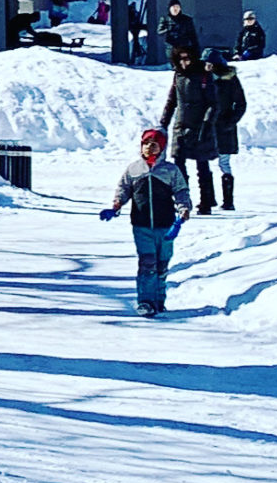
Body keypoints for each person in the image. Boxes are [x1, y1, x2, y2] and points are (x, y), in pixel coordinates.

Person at [100, 124, 191, 316]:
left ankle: (159, 301)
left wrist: (183, 211)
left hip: (166, 226)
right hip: (141, 226)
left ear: (162, 148)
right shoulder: (133, 169)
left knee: (162, 264)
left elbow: (181, 192)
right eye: (147, 143)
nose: (150, 147)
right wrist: (116, 205)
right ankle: (146, 302)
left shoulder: (170, 170)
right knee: (147, 263)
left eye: (155, 144)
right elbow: (124, 189)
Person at [158, 43, 217, 218]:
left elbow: (213, 103)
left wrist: (207, 123)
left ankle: (206, 201)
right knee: (179, 166)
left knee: (202, 166)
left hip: (200, 126)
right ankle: (183, 201)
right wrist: (163, 123)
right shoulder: (178, 77)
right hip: (181, 126)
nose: (185, 62)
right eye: (181, 59)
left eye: (187, 58)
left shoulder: (204, 75)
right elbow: (172, 102)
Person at [205, 47, 248, 211]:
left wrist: (230, 121)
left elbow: (241, 103)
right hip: (207, 127)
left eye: (210, 64)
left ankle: (228, 200)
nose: (207, 67)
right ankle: (208, 199)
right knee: (204, 163)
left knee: (224, 163)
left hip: (224, 127)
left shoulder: (230, 79)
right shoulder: (203, 79)